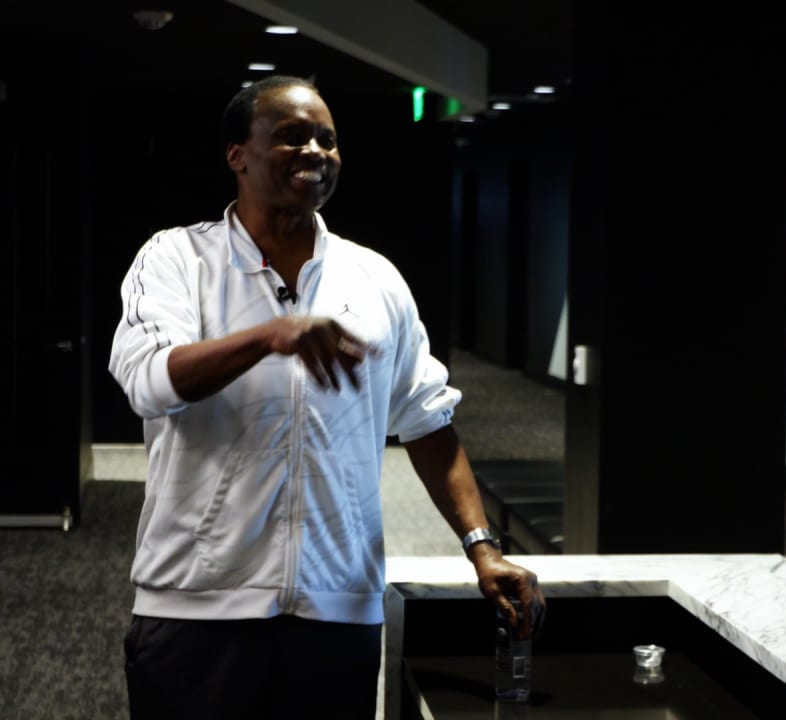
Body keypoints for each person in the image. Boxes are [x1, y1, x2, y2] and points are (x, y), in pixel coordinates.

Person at [108, 74, 545, 720]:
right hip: (196, 604)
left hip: (336, 611)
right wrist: (269, 336)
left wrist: (481, 546)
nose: (315, 151)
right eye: (291, 137)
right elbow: (149, 382)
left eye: (327, 140)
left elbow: (427, 421)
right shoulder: (177, 260)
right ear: (238, 154)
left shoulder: (374, 279)